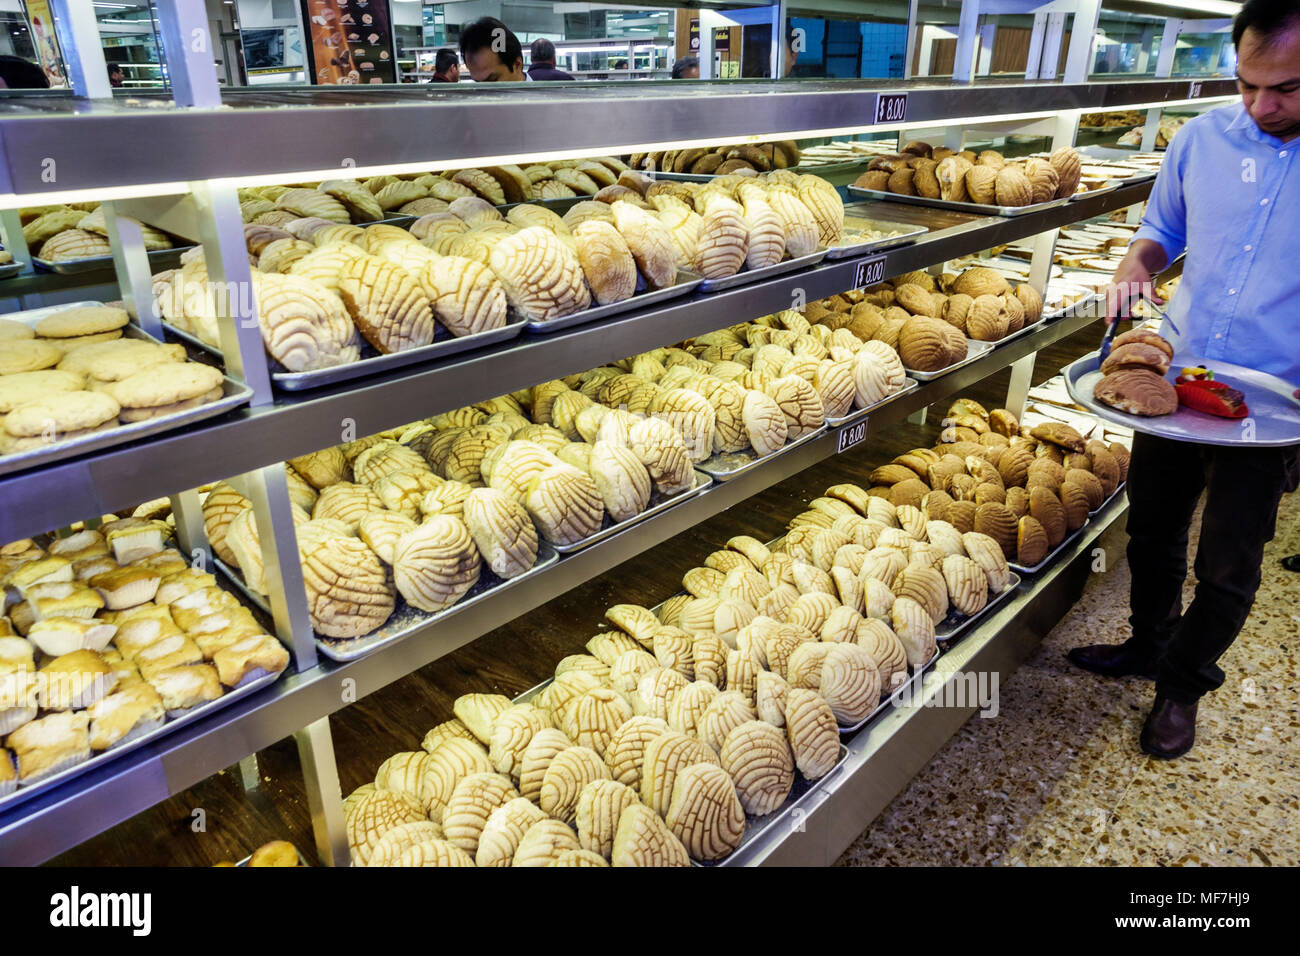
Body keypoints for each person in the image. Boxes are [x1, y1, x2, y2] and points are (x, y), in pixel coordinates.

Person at [1066, 0, 1300, 760]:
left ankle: (1181, 686)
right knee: (1153, 529)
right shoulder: (1201, 141)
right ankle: (1146, 643)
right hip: (1179, 372)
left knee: (1229, 563)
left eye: (1288, 89)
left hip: (1272, 403)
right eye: (1246, 85)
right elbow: (1160, 232)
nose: (1262, 106)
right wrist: (1136, 267)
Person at [458, 17, 527, 83]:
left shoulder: (537, 93)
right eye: (477, 83)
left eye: (492, 80)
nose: (484, 92)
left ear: (517, 65)